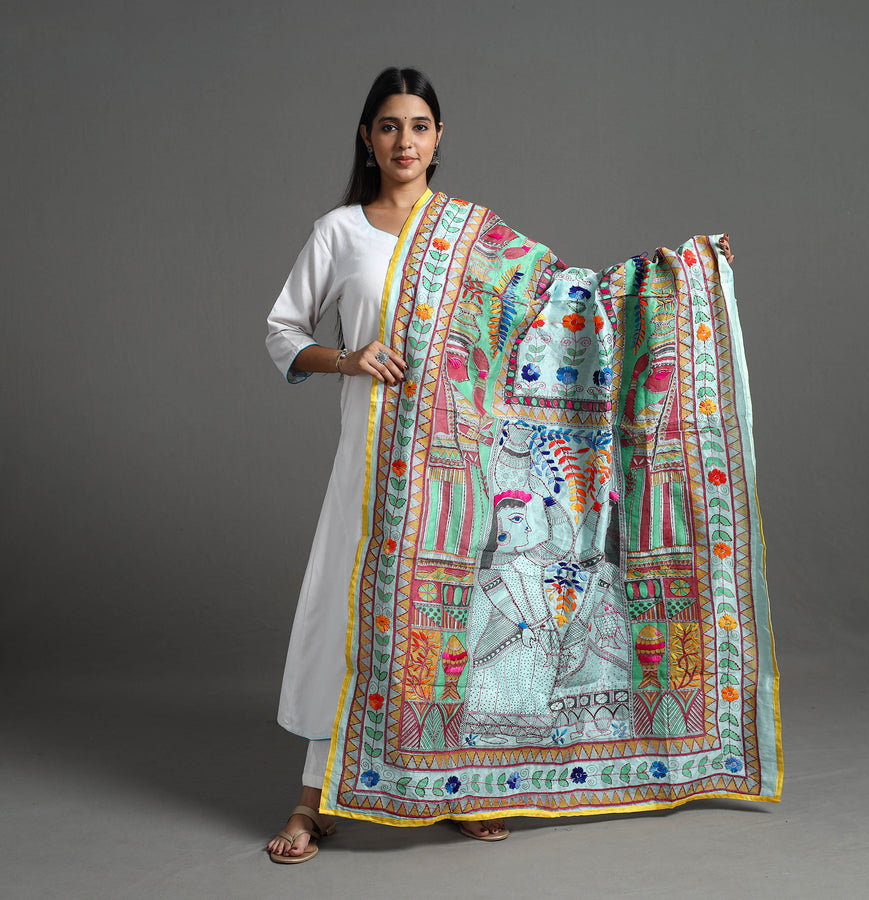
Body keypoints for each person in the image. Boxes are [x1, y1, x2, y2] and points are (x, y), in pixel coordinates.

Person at [265, 67, 737, 863]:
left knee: (458, 626)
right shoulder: (339, 232)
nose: (405, 141)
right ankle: (313, 801)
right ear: (367, 138)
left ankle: (459, 788)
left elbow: (572, 295)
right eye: (389, 126)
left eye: (419, 126)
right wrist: (348, 358)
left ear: (438, 138)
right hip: (374, 466)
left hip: (465, 474)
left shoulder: (478, 243)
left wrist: (683, 273)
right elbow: (283, 332)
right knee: (351, 621)